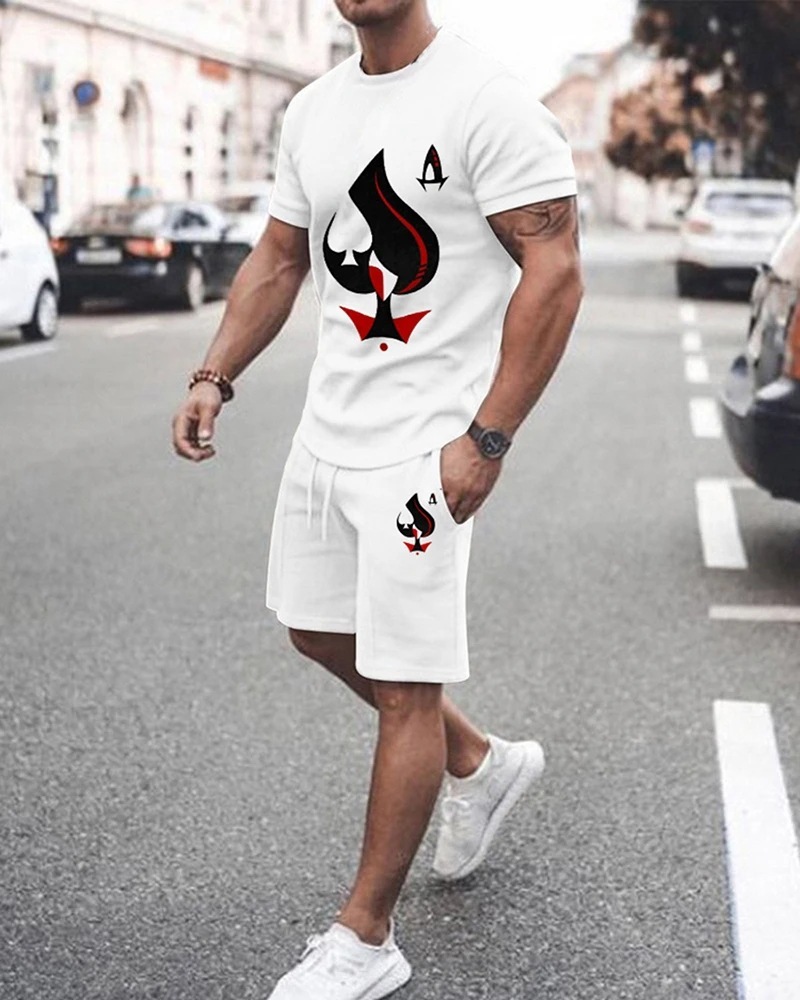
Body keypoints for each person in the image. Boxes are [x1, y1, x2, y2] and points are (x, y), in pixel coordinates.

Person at [171, 1, 583, 995]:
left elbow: (556, 269)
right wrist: (215, 373)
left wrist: (486, 438)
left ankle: (365, 938)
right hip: (328, 433)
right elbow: (280, 257)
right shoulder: (314, 109)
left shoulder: (485, 99)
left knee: (404, 685)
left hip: (423, 452)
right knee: (315, 631)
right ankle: (478, 761)